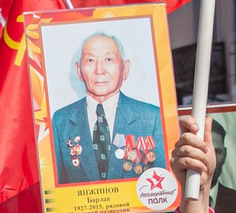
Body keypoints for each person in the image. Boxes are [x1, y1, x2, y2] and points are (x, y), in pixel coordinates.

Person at [51, 34, 165, 186]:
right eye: (90, 60)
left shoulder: (151, 118)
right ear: (79, 70)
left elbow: (164, 189)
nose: (99, 70)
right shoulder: (61, 121)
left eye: (108, 60)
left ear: (125, 68)